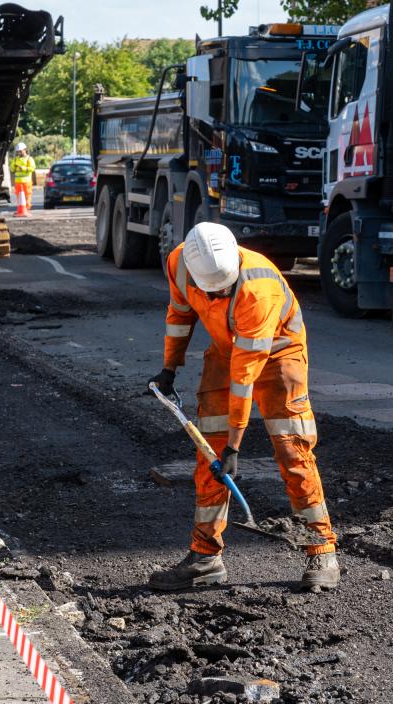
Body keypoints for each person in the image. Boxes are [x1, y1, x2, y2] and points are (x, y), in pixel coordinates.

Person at [148, 222, 339, 592]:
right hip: (225, 351)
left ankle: (322, 549)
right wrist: (169, 367)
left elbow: (244, 379)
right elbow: (179, 314)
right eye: (213, 290)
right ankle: (205, 558)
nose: (219, 294)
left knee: (291, 448)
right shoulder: (181, 263)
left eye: (224, 288)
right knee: (209, 455)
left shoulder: (257, 289)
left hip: (280, 354)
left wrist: (235, 445)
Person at [10, 144, 36, 216]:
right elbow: (12, 169)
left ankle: (26, 209)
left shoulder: (29, 159)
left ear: (25, 150)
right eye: (18, 152)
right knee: (19, 197)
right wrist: (13, 166)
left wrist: (23, 168)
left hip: (26, 181)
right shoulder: (15, 159)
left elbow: (32, 168)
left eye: (20, 151)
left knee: (27, 196)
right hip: (18, 182)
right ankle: (20, 210)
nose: (19, 153)